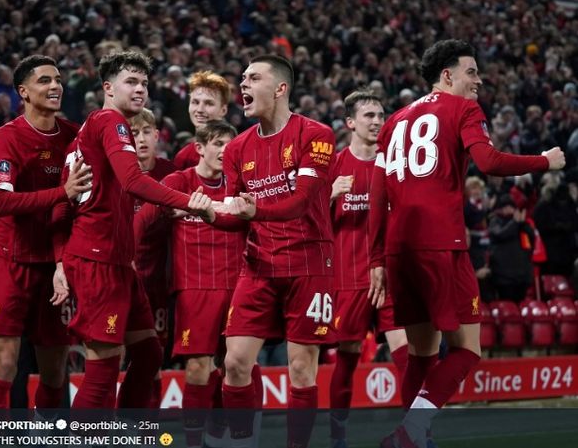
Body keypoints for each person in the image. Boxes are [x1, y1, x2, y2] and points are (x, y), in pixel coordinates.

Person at [368, 40, 565, 448]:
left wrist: (376, 258)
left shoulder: (394, 121)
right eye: (471, 72)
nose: (478, 80)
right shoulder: (463, 109)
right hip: (441, 241)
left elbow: (376, 193)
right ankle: (412, 431)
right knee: (467, 349)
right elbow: (489, 163)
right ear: (447, 76)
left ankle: (412, 438)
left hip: (399, 247)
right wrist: (545, 160)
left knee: (423, 355)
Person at [54, 51, 210, 409]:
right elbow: (132, 179)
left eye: (144, 83)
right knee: (103, 369)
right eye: (131, 81)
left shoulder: (86, 130)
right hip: (98, 259)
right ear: (108, 87)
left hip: (115, 261)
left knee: (149, 353)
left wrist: (61, 260)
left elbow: (65, 204)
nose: (140, 89)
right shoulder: (111, 122)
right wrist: (189, 202)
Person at [195, 55, 336, 448]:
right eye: (241, 77)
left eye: (253, 78)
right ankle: (242, 442)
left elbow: (302, 202)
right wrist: (209, 214)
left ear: (280, 88)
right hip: (258, 264)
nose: (242, 84)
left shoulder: (317, 134)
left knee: (301, 369)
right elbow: (236, 217)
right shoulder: (238, 147)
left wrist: (256, 209)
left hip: (310, 263)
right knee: (235, 363)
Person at [0, 55, 90, 428]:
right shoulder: (6, 136)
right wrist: (61, 193)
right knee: (5, 364)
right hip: (9, 261)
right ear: (23, 92)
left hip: (56, 265)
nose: (55, 86)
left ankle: (47, 435)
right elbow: (0, 202)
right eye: (44, 81)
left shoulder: (75, 135)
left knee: (55, 371)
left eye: (58, 79)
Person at [135, 120, 245, 447]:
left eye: (229, 144)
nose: (224, 151)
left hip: (238, 284)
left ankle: (221, 435)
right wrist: (128, 257)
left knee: (236, 366)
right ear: (199, 148)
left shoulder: (239, 184)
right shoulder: (178, 182)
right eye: (218, 144)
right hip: (194, 287)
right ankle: (196, 441)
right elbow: (142, 221)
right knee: (197, 368)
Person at [328, 91, 408, 448]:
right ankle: (337, 436)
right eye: (369, 116)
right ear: (350, 123)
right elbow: (308, 222)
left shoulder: (395, 163)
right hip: (349, 277)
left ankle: (417, 434)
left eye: (381, 115)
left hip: (390, 277)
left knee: (408, 356)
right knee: (346, 360)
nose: (377, 121)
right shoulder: (333, 165)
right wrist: (327, 195)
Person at [129, 107, 177, 407]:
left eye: (147, 132)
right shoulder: (115, 172)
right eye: (134, 133)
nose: (141, 139)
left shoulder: (171, 173)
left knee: (153, 359)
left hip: (159, 282)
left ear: (157, 135)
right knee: (115, 358)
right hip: (122, 278)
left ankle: (147, 427)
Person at [173, 71, 230, 170]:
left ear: (223, 110)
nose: (199, 110)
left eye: (209, 103)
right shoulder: (183, 157)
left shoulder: (238, 151)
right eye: (195, 102)